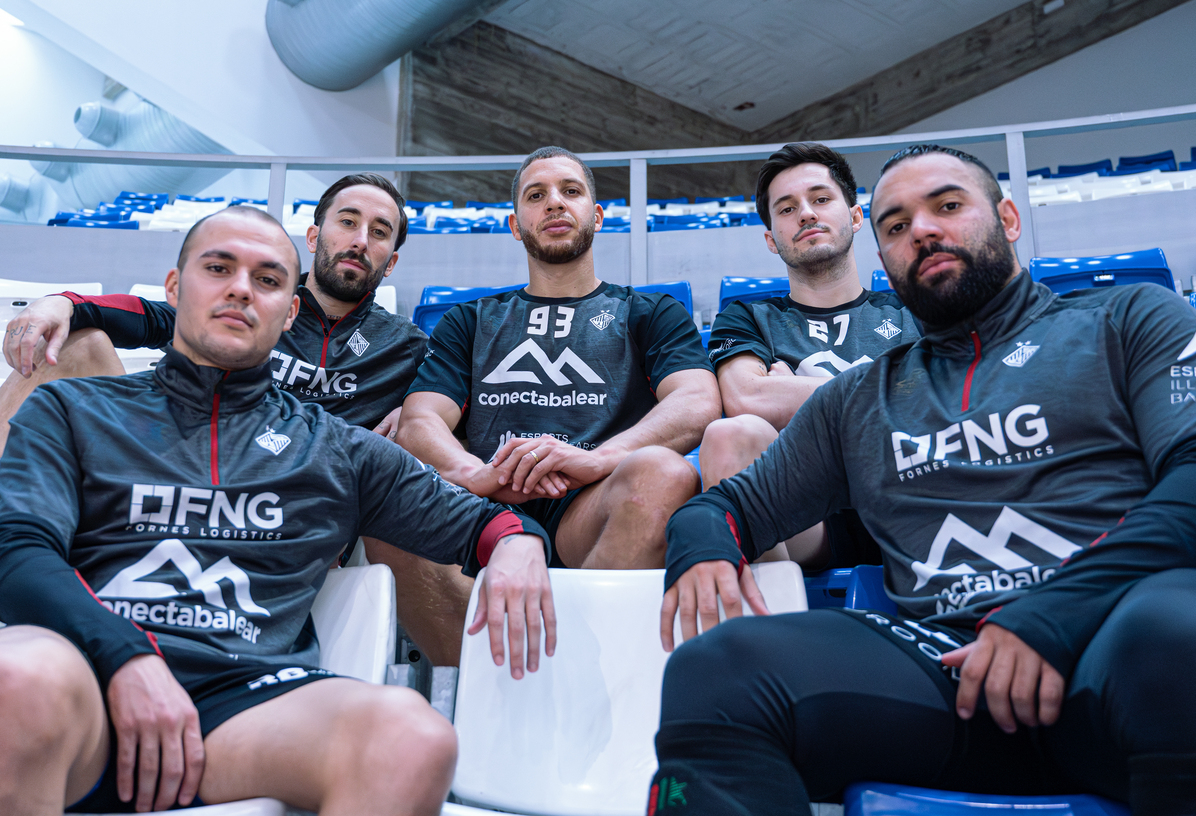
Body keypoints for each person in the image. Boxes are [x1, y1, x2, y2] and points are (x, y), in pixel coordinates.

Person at [648, 145, 1196, 815]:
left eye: (947, 206)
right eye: (896, 225)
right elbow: (726, 507)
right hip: (949, 669)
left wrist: (1051, 614)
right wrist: (704, 547)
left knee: (1192, 635)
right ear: (884, 256)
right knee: (715, 671)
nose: (921, 230)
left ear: (1008, 218)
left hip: (1119, 639)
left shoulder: (1130, 319)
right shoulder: (857, 398)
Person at [0, 206, 556, 815]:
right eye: (219, 268)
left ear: (289, 312)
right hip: (85, 675)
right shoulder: (71, 409)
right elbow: (17, 552)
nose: (241, 289)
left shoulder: (336, 448)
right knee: (15, 678)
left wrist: (518, 544)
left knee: (411, 737)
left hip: (244, 699)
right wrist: (128, 656)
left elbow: (482, 523)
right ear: (174, 288)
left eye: (266, 279)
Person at [374, 146, 720, 662]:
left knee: (665, 474)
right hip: (484, 508)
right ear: (516, 226)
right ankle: (489, 680)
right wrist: (474, 475)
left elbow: (696, 399)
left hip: (595, 504)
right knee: (384, 502)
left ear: (596, 216)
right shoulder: (468, 319)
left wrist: (597, 459)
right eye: (536, 196)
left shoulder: (650, 311)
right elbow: (420, 419)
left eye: (570, 191)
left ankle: (583, 671)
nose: (554, 203)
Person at [1, 172, 425, 447]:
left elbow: (455, 396)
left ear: (390, 262)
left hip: (296, 501)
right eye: (348, 222)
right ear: (314, 238)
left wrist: (421, 409)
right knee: (73, 341)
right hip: (184, 455)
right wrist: (63, 303)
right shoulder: (253, 304)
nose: (360, 240)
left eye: (379, 232)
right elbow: (150, 317)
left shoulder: (406, 347)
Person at [702, 142, 919, 567]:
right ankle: (770, 603)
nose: (805, 214)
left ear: (855, 217)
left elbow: (946, 394)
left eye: (820, 199)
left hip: (911, 490)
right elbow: (747, 398)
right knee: (729, 436)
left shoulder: (913, 309)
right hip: (808, 513)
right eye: (787, 209)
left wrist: (794, 392)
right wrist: (892, 388)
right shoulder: (747, 317)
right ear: (771, 239)